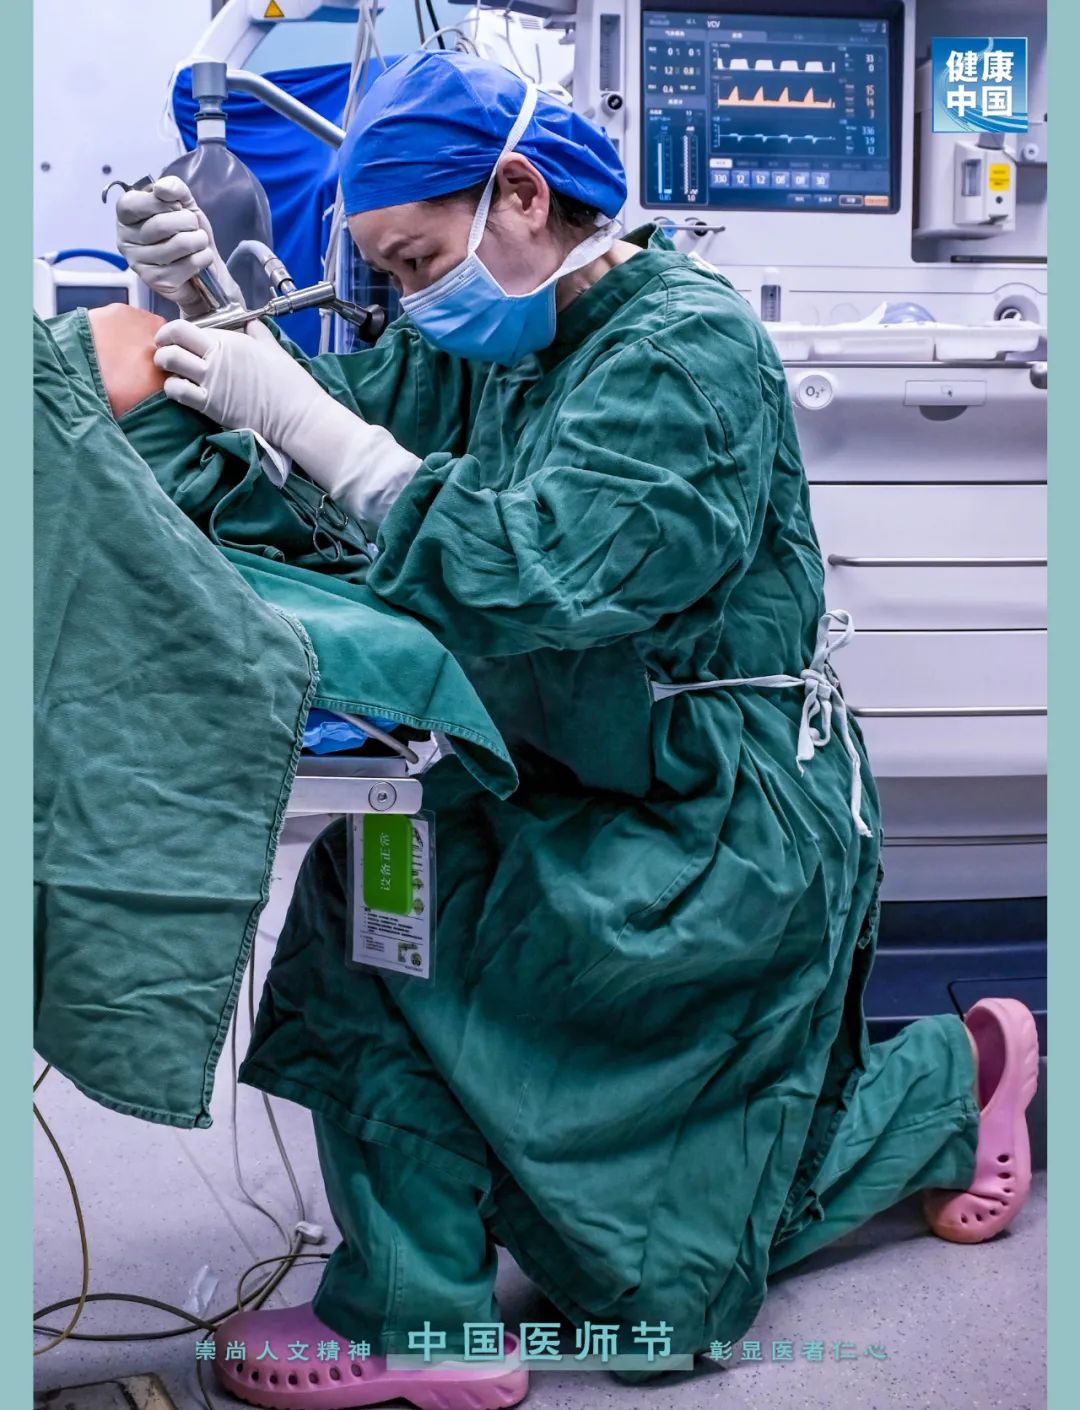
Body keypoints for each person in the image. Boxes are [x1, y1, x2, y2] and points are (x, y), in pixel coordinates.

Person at [115, 49, 1039, 1410]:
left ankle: (953, 1084)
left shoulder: (684, 351)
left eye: (418, 261)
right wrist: (194, 309)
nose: (411, 300)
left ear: (522, 196)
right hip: (548, 775)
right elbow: (333, 436)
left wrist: (323, 433)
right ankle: (416, 1314)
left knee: (653, 1313)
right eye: (390, 272)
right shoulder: (495, 341)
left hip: (709, 822)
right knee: (375, 900)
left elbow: (548, 567)